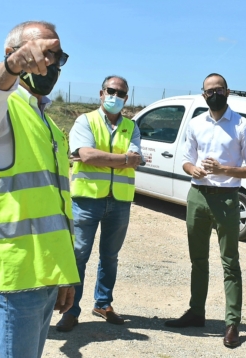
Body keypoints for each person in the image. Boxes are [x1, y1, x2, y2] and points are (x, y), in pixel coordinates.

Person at [0, 20, 80, 358]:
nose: (52, 64)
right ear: (11, 53)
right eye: (46, 52)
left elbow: (54, 207)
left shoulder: (44, 119)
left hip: (46, 273)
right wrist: (12, 66)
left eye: (59, 56)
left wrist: (65, 273)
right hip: (15, 278)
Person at [164, 73, 246, 348]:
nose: (214, 94)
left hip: (228, 197)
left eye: (218, 89)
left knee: (230, 261)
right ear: (203, 94)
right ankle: (196, 312)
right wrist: (191, 169)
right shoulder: (196, 123)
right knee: (198, 259)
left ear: (227, 91)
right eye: (209, 91)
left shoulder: (243, 126)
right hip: (197, 195)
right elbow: (185, 159)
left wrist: (223, 170)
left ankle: (232, 323)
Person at [55, 76, 142, 332]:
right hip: (86, 200)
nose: (115, 95)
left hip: (119, 201)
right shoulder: (85, 120)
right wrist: (122, 159)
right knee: (79, 256)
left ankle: (103, 304)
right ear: (101, 93)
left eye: (121, 93)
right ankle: (71, 311)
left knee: (110, 256)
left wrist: (114, 159)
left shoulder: (131, 126)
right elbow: (86, 154)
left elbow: (135, 159)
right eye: (111, 90)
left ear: (126, 98)